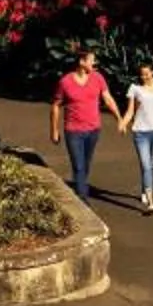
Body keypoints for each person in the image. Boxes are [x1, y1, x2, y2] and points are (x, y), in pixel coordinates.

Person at [49, 47, 118, 202]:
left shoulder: (98, 78)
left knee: (85, 165)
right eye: (92, 60)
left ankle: (80, 186)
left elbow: (108, 99)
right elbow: (55, 105)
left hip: (93, 130)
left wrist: (119, 118)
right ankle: (82, 199)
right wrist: (54, 130)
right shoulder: (65, 82)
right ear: (82, 62)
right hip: (73, 131)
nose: (95, 63)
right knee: (78, 166)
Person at [121, 62, 153, 214]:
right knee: (146, 165)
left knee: (152, 164)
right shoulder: (135, 89)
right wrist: (123, 123)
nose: (144, 77)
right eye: (142, 74)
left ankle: (144, 189)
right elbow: (130, 111)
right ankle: (151, 201)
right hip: (141, 132)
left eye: (147, 73)